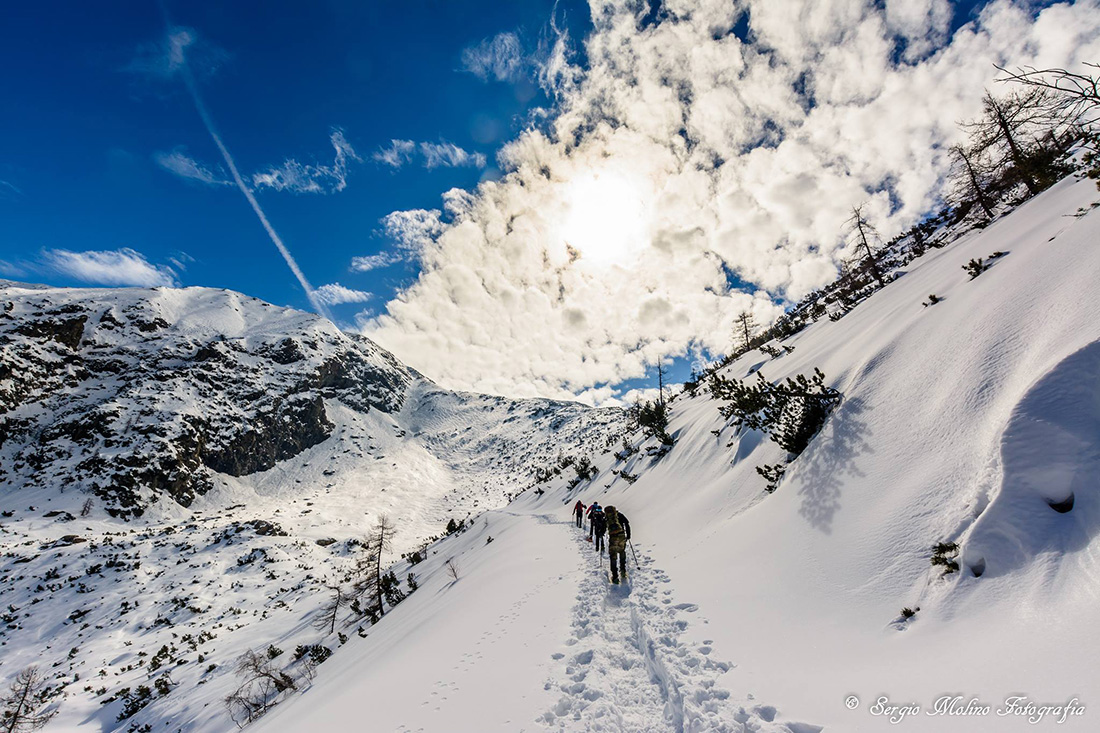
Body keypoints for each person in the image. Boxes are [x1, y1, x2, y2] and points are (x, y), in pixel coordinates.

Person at [604, 505, 631, 584]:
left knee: (613, 556)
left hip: (613, 538)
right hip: (621, 536)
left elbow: (603, 528)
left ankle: (615, 577)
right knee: (622, 552)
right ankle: (623, 571)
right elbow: (627, 522)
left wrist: (600, 533)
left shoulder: (607, 518)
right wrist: (628, 535)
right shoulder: (619, 515)